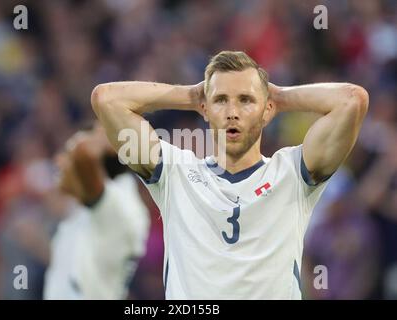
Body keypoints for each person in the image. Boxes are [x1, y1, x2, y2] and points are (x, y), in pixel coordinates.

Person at [91, 51, 369, 299]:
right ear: (205, 109)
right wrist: (191, 95)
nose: (233, 112)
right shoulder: (175, 173)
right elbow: (107, 99)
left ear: (267, 110)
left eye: (246, 100)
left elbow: (352, 100)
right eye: (221, 100)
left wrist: (279, 96)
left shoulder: (293, 172)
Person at [43, 123, 150, 299]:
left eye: (68, 154)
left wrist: (112, 134)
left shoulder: (117, 206)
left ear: (96, 171)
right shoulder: (89, 210)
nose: (58, 161)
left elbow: (85, 152)